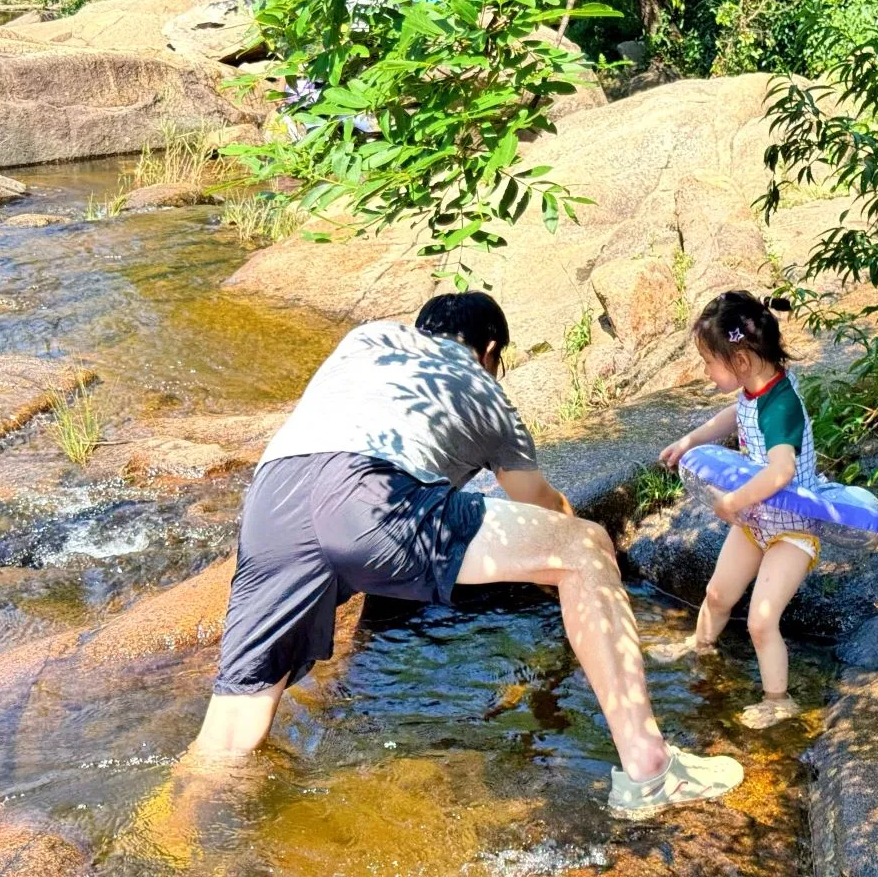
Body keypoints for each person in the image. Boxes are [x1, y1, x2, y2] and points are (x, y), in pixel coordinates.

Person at [191, 291, 742, 818]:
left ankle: (178, 841)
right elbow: (543, 507)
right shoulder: (485, 390)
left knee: (233, 724)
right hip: (368, 495)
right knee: (586, 547)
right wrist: (585, 583)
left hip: (273, 500)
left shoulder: (367, 339)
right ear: (491, 352)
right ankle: (650, 770)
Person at [651, 291, 820, 730]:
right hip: (757, 520)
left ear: (741, 359)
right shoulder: (756, 388)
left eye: (710, 363)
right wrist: (691, 441)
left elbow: (781, 471)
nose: (706, 373)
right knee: (717, 594)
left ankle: (778, 699)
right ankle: (702, 644)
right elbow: (734, 416)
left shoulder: (781, 406)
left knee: (762, 621)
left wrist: (731, 502)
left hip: (792, 529)